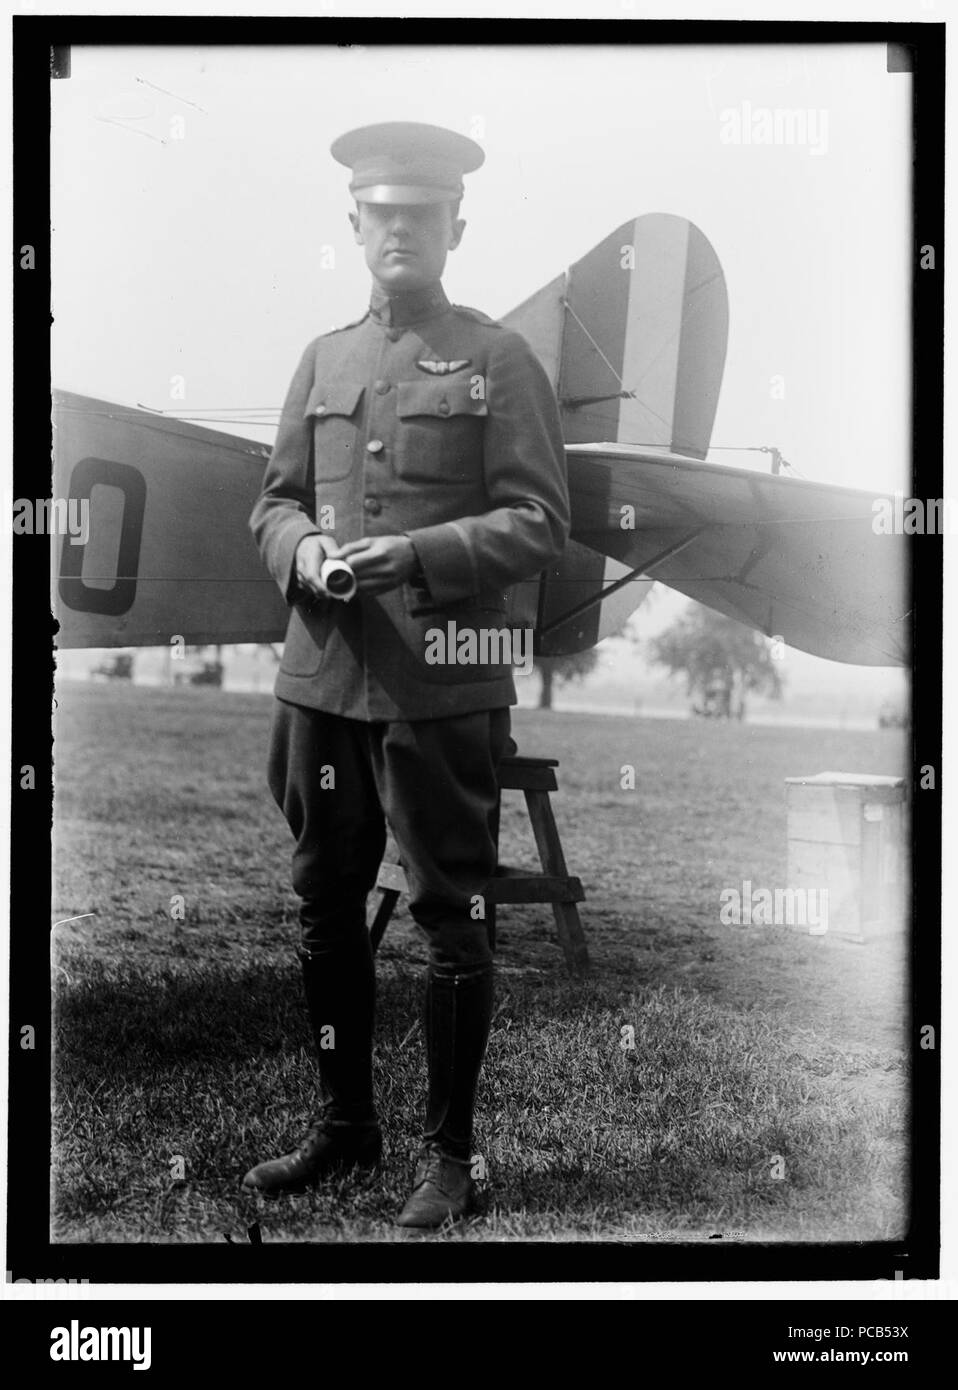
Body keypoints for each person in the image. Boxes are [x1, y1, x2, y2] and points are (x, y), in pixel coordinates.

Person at [244, 121, 570, 1228]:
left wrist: (419, 556)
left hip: (439, 686)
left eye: (420, 217)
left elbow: (539, 521)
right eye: (381, 216)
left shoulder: (498, 359)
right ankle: (343, 1130)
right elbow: (274, 500)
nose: (399, 232)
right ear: (355, 226)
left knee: (449, 914)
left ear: (453, 228)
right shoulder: (322, 358)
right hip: (323, 679)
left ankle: (448, 1158)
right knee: (325, 909)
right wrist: (302, 552)